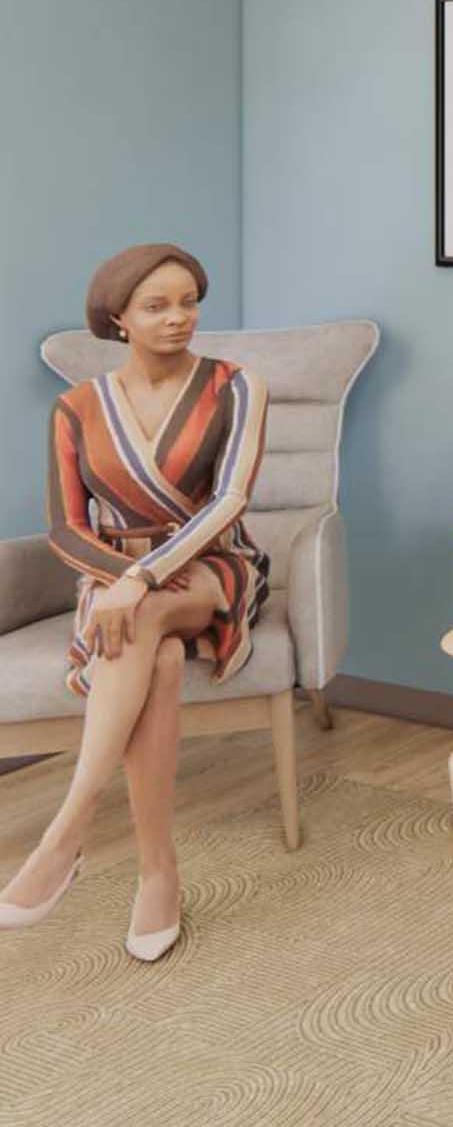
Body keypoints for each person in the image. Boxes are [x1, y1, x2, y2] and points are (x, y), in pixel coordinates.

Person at [0, 244, 270, 963]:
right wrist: (121, 575)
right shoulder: (75, 408)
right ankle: (158, 872)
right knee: (163, 661)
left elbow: (231, 500)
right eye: (157, 306)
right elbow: (65, 528)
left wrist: (141, 577)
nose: (180, 318)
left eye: (189, 301)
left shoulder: (237, 386)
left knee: (144, 618)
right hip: (112, 574)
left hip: (211, 565)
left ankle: (65, 835)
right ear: (118, 318)